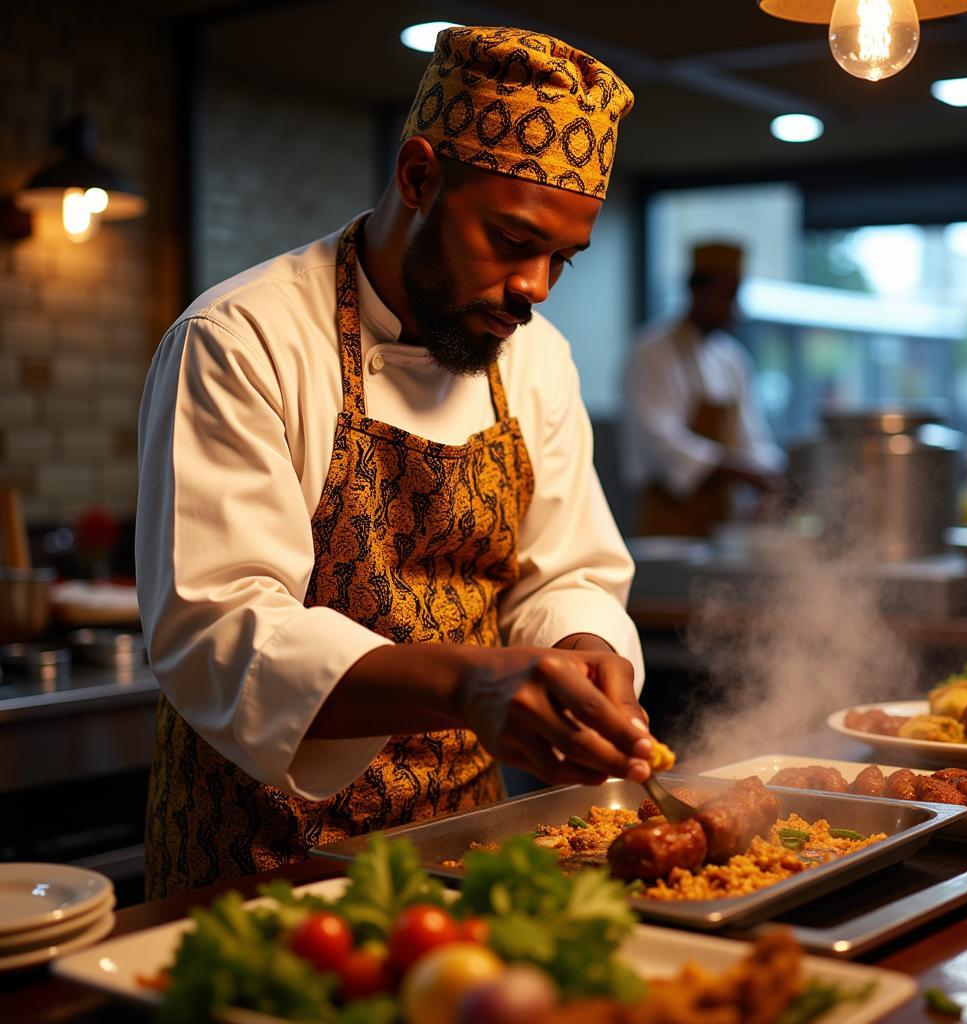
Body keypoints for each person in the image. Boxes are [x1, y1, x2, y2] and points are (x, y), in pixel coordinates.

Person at [136, 25, 655, 898]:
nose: (535, 289)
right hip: (265, 853)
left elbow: (564, 571)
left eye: (561, 260)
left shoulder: (537, 359)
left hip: (469, 847)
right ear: (419, 178)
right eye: (512, 240)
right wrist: (466, 684)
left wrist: (581, 648)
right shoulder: (244, 340)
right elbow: (218, 628)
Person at [621, 241, 786, 537]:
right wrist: (742, 472)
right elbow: (660, 440)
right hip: (666, 520)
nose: (734, 309)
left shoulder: (732, 359)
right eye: (726, 296)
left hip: (722, 522)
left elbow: (752, 437)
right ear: (695, 291)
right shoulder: (651, 352)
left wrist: (768, 476)